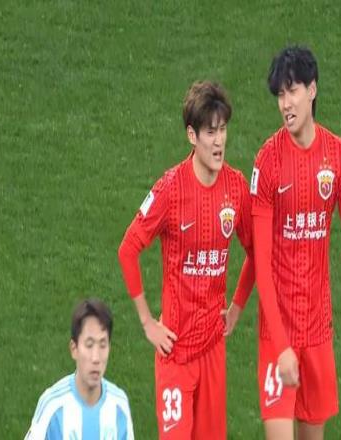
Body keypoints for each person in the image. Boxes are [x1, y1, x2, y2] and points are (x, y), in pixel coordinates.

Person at [239, 45, 341, 440]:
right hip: (277, 332)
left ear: (312, 90)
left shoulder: (337, 155)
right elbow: (262, 261)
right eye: (280, 95)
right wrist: (281, 346)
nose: (285, 103)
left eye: (292, 91)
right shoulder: (267, 161)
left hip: (317, 331)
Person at [118, 81, 255, 439]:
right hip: (175, 353)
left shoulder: (236, 188)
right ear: (192, 136)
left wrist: (237, 307)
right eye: (210, 132)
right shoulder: (170, 189)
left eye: (223, 130)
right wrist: (147, 322)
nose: (219, 141)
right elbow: (128, 249)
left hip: (212, 350)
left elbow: (257, 252)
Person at [24, 298, 135, 439]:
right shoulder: (52, 405)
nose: (96, 358)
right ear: (74, 349)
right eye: (89, 345)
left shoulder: (119, 405)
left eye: (102, 345)